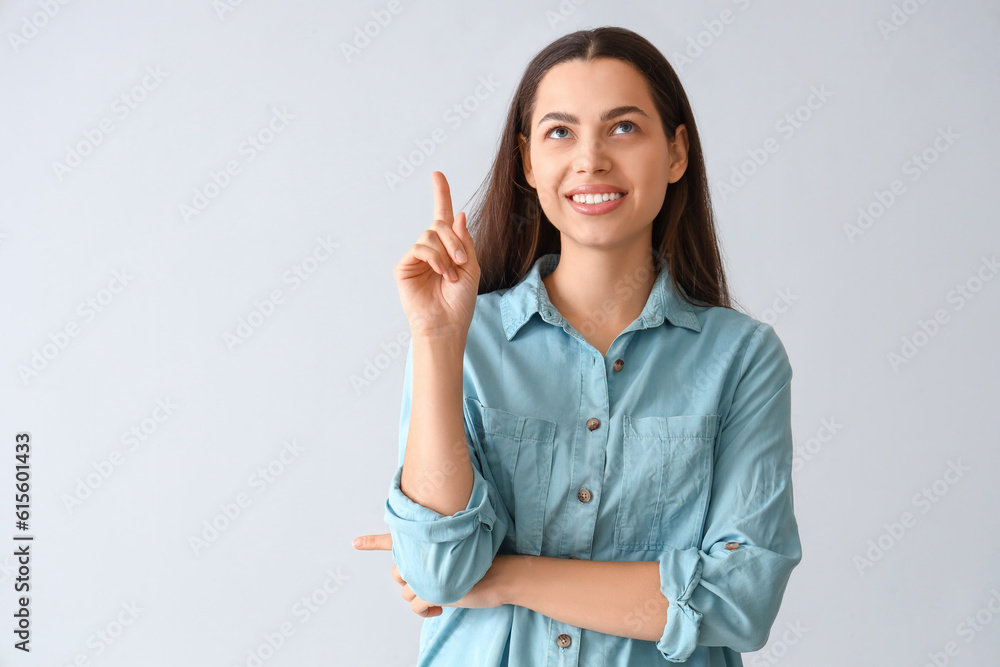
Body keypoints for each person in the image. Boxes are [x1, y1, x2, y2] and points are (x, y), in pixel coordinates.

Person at [353, 25, 802, 666]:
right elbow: (438, 569)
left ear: (676, 153)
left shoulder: (742, 358)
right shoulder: (467, 336)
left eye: (623, 127)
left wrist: (502, 576)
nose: (590, 159)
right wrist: (435, 339)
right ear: (529, 160)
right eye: (560, 131)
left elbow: (738, 600)